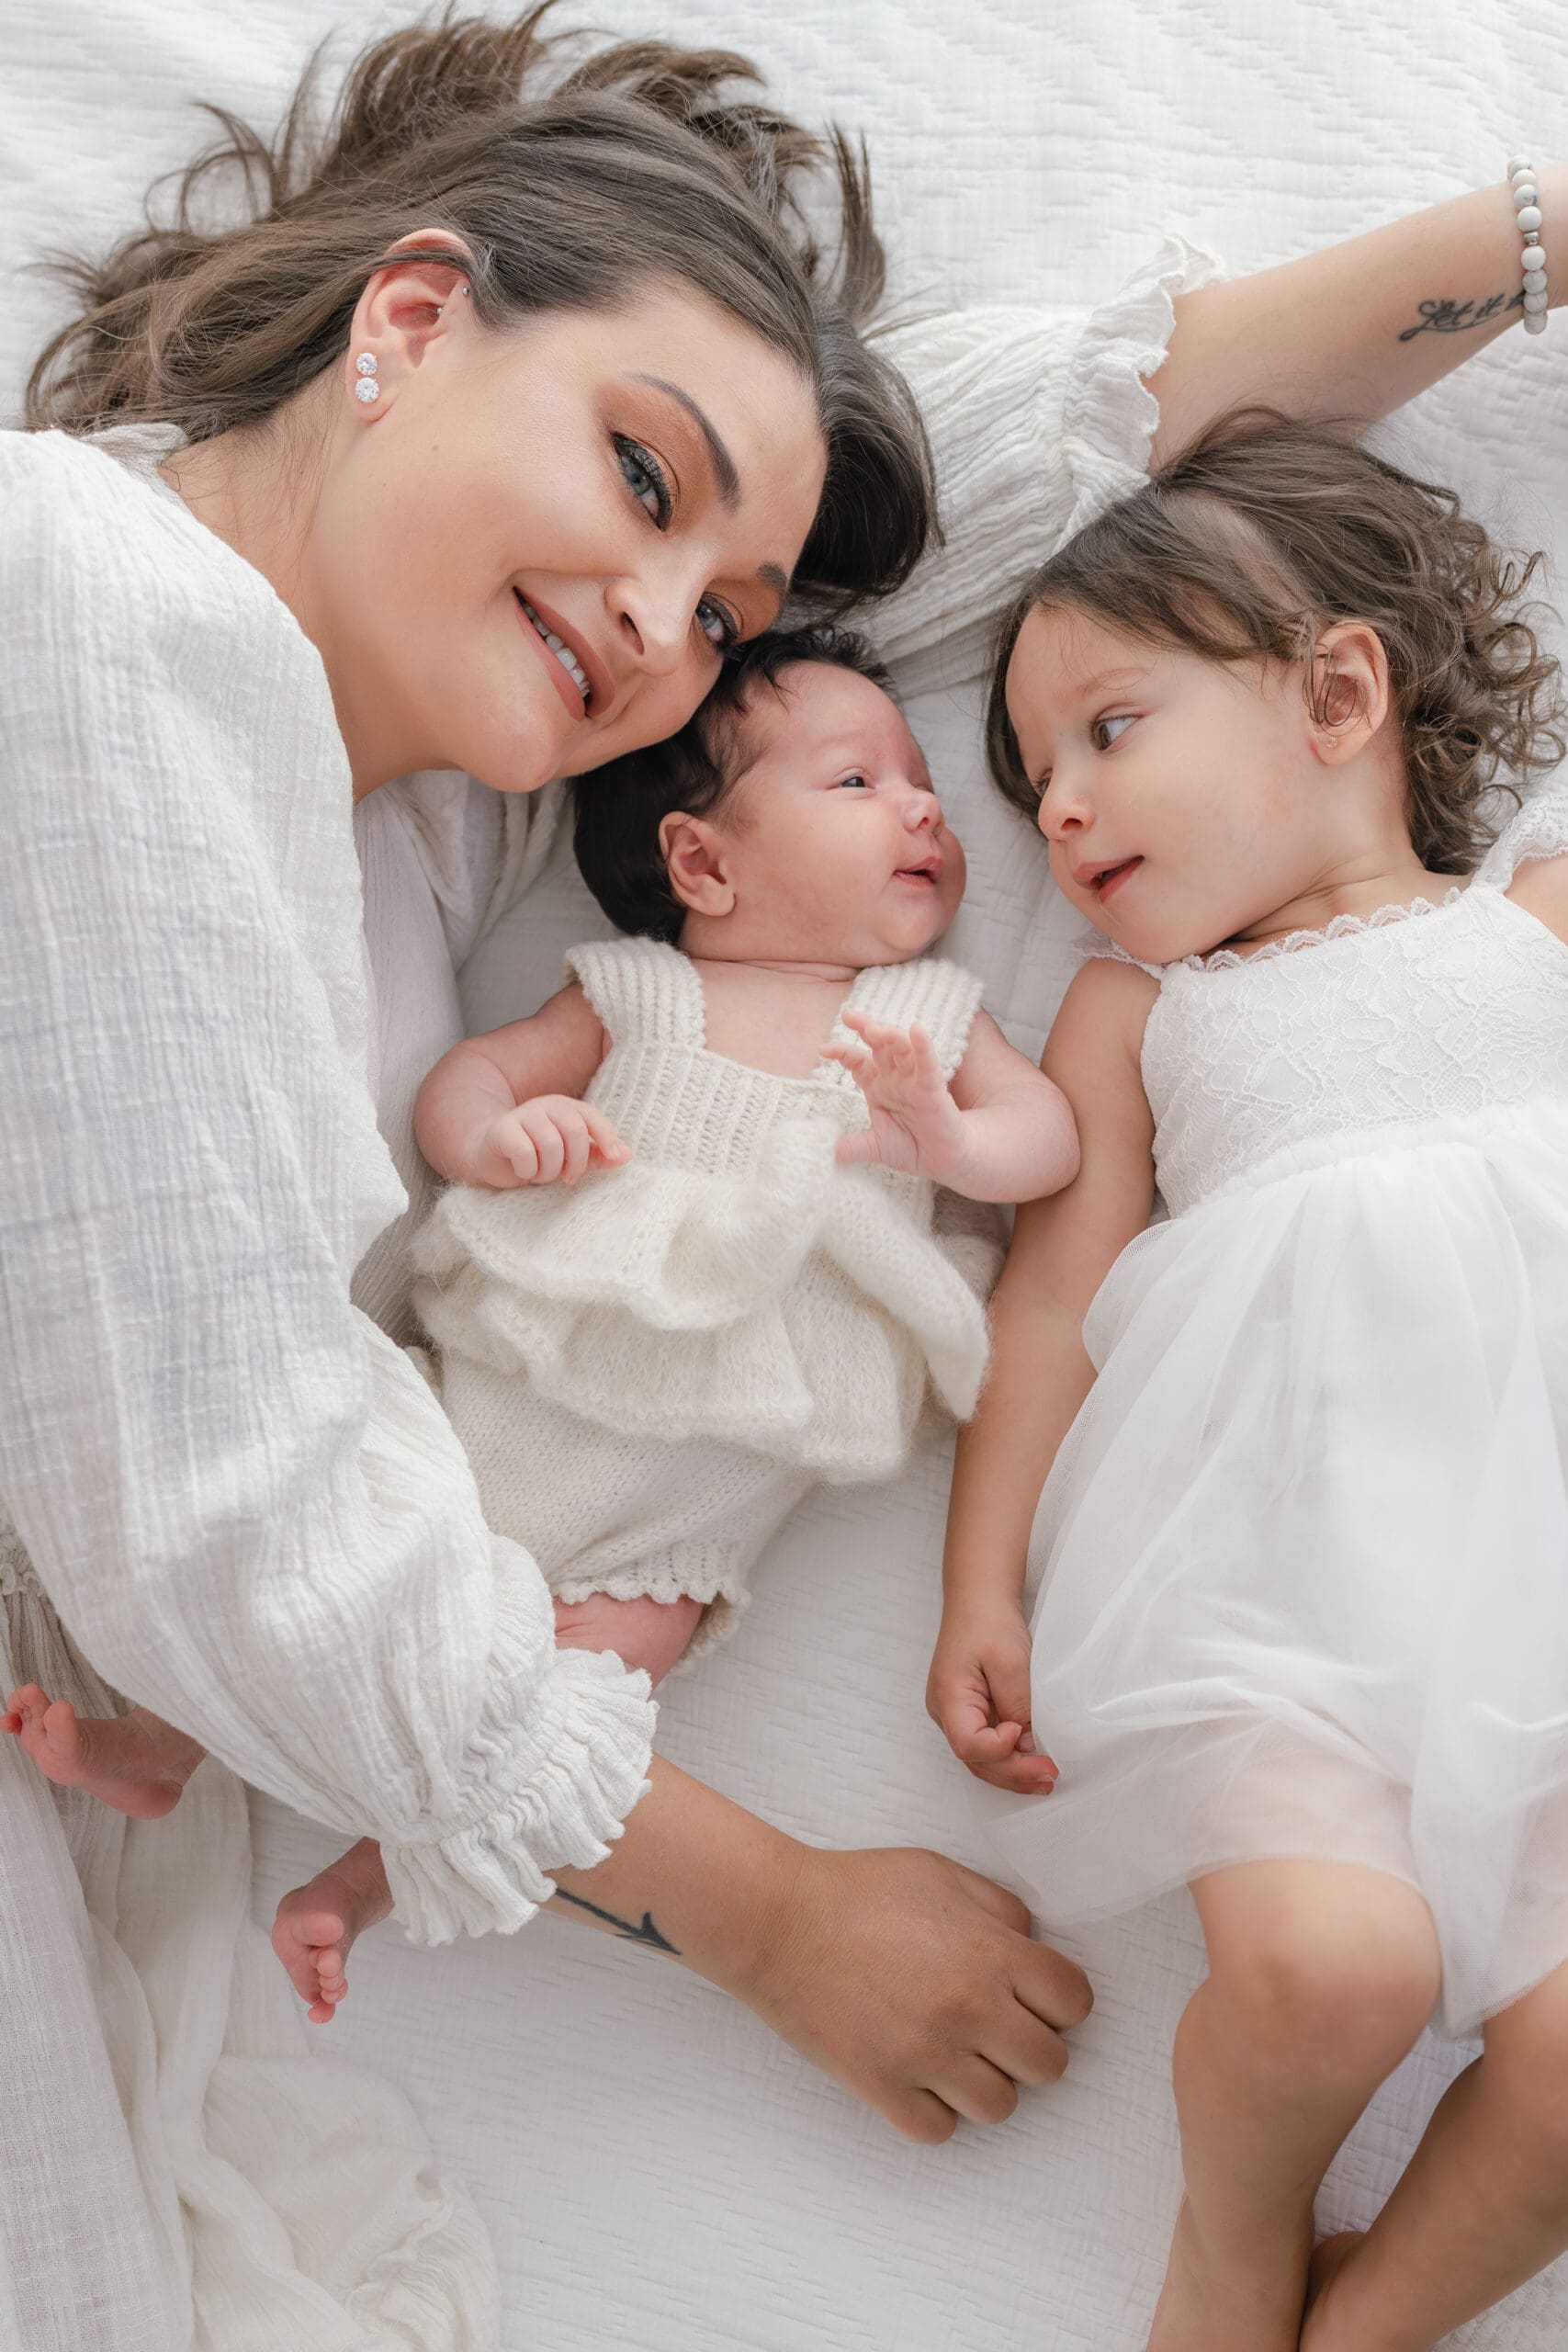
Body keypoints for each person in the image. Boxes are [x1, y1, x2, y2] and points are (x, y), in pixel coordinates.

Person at [1, 5, 1558, 2339]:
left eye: (724, 613)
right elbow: (239, 1512)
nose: (662, 630)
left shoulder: (455, 782)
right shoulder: (90, 601)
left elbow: (1059, 538)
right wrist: (762, 1907)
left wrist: (1526, 238)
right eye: (640, 485)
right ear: (405, 321)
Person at [8, 627, 1077, 2021]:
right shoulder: (638, 991)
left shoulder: (927, 1016)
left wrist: (943, 1134)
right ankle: (163, 1739)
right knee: (350, 1562)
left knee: (575, 1694)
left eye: (920, 778)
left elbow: (1044, 1144)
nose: (924, 806)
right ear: (703, 864)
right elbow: (469, 1081)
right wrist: (508, 1139)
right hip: (516, 1390)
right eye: (858, 781)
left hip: (688, 1499)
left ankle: (364, 1879)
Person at [934, 411, 1568, 2352]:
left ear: (1339, 691)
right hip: (1274, 1577)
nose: (1052, 809)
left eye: (1105, 730)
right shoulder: (1141, 1010)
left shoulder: (1527, 920)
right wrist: (978, 1583)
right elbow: (1049, 1302)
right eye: (1033, 777)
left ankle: (1356, 2328)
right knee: (1320, 1973)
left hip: (1540, 1585)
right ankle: (1234, 2226)